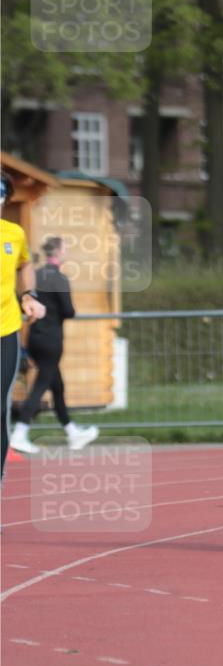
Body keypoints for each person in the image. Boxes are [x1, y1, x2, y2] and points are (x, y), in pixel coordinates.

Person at [10, 236, 99, 454]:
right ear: (58, 252)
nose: (66, 252)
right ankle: (19, 433)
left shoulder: (36, 275)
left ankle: (72, 432)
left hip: (34, 337)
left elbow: (21, 298)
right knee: (41, 385)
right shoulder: (59, 278)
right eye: (65, 248)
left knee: (57, 386)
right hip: (51, 339)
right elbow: (68, 310)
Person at [1, 172, 46, 477]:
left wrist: (28, 294)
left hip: (4, 330)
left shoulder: (13, 234)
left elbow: (25, 263)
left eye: (1, 192)